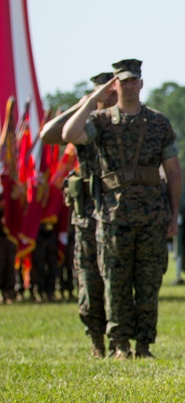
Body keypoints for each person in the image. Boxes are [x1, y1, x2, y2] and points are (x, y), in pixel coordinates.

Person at [63, 59, 182, 359]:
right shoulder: (100, 121)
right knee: (114, 283)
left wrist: (174, 213)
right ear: (114, 85)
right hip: (113, 216)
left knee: (148, 282)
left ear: (141, 84)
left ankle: (143, 345)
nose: (129, 85)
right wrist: (92, 99)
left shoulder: (158, 122)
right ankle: (119, 345)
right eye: (123, 81)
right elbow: (69, 133)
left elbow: (174, 171)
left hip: (152, 215)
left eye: (133, 80)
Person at [40, 71, 116, 357]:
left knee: (118, 279)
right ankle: (97, 340)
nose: (107, 99)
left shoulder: (120, 123)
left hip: (118, 214)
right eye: (103, 94)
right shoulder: (83, 124)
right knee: (89, 279)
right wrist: (83, 103)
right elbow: (47, 134)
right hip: (87, 217)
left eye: (111, 93)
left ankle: (120, 339)